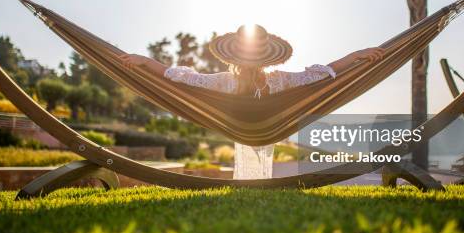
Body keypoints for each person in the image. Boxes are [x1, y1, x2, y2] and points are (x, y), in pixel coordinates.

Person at [119, 24, 385, 179]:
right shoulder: (224, 81)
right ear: (236, 58)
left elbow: (317, 75)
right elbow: (180, 78)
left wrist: (357, 56)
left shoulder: (279, 80)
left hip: (268, 130)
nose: (251, 61)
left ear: (264, 59)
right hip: (243, 129)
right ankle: (250, 185)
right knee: (248, 168)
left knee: (258, 165)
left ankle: (257, 185)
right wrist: (144, 61)